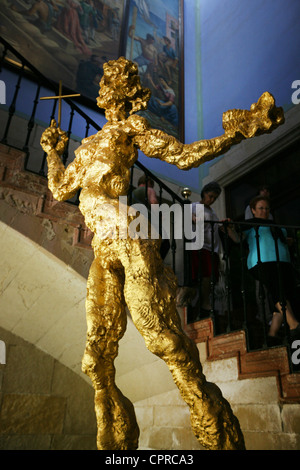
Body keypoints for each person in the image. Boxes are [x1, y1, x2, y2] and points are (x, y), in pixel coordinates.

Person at [40, 56, 284, 451]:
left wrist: (235, 134)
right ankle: (115, 444)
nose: (108, 87)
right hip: (104, 249)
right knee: (96, 358)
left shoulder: (131, 130)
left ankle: (218, 434)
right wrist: (53, 150)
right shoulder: (86, 146)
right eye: (106, 80)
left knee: (164, 340)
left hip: (130, 237)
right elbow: (59, 188)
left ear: (130, 95)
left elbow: (184, 157)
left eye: (118, 81)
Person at [243, 195, 300, 346]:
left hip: (283, 262)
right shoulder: (249, 224)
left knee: (287, 295)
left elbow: (284, 241)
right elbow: (236, 239)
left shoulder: (276, 225)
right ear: (253, 210)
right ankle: (294, 325)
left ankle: (272, 336)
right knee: (277, 290)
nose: (264, 211)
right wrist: (228, 229)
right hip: (263, 262)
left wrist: (288, 242)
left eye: (267, 208)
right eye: (260, 208)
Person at [191, 182, 239, 312]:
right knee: (203, 276)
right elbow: (186, 216)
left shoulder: (212, 211)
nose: (212, 200)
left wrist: (226, 226)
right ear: (204, 193)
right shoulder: (194, 206)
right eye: (210, 196)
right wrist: (193, 218)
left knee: (210, 276)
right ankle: (202, 303)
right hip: (200, 245)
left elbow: (219, 227)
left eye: (215, 198)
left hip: (212, 248)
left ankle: (200, 304)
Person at [131, 174, 170, 260]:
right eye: (152, 185)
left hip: (135, 226)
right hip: (148, 223)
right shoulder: (149, 190)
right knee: (166, 243)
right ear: (148, 183)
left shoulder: (132, 193)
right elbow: (153, 202)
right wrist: (160, 217)